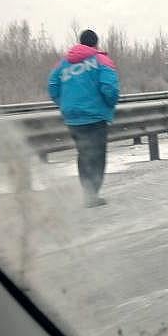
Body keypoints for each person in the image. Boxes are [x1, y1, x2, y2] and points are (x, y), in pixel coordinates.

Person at [48, 29, 120, 207]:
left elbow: (52, 86)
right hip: (95, 116)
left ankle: (87, 192)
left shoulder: (63, 64)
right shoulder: (101, 60)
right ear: (96, 43)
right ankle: (92, 195)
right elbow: (110, 88)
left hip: (73, 118)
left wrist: (65, 104)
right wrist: (109, 105)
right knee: (97, 155)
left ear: (80, 43)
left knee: (84, 153)